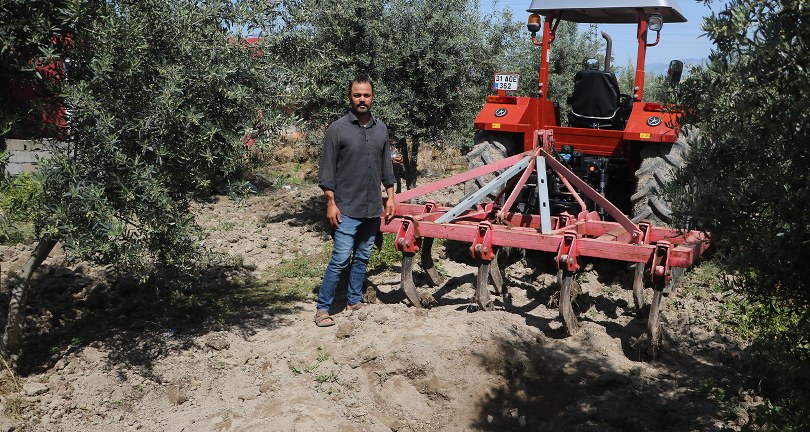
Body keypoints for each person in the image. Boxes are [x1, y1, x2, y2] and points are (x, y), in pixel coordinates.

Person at [314, 73, 397, 327]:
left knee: (362, 257)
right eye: (357, 95)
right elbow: (326, 172)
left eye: (366, 95)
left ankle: (353, 300)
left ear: (373, 98)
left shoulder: (380, 128)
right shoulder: (337, 130)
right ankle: (323, 308)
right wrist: (331, 202)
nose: (362, 99)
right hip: (346, 208)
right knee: (340, 259)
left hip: (372, 208)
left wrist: (390, 197)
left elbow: (386, 167)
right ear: (350, 97)